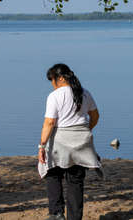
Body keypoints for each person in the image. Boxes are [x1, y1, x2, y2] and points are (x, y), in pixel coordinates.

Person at [38, 63, 102, 220]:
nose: (52, 84)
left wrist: (42, 146)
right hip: (82, 141)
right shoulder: (85, 93)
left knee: (52, 173)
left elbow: (49, 123)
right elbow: (95, 117)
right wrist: (86, 130)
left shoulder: (55, 96)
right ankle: (74, 217)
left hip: (60, 141)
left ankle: (57, 213)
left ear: (59, 78)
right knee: (75, 180)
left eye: (52, 80)